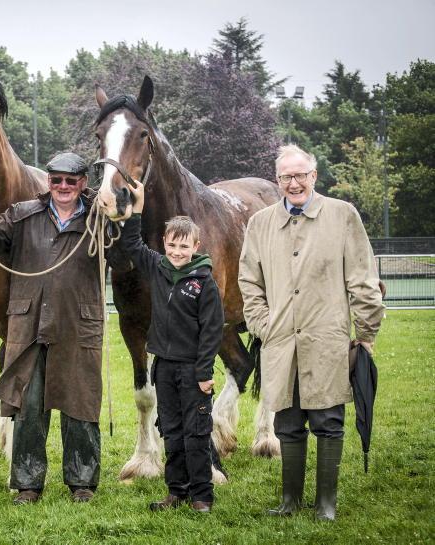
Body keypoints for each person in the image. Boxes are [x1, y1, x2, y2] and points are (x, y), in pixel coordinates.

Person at [238, 144, 384, 521]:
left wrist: (366, 332)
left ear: (314, 176)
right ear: (277, 180)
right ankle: (290, 501)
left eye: (300, 175)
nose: (294, 183)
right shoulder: (260, 223)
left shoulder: (342, 215)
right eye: (286, 176)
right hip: (280, 341)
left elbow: (363, 280)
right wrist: (262, 325)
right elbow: (249, 282)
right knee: (287, 424)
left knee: (328, 422)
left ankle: (326, 504)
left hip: (327, 339)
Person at [0, 152, 106, 504]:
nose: (63, 186)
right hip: (29, 324)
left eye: (71, 180)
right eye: (56, 180)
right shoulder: (23, 215)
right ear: (49, 182)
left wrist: (128, 216)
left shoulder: (99, 219)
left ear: (83, 183)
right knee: (28, 405)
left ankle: (82, 482)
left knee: (80, 403)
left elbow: (126, 257)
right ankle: (27, 483)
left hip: (79, 322)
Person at [112, 181, 223, 513]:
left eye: (184, 246)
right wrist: (138, 208)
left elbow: (212, 331)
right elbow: (131, 243)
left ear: (195, 246)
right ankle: (176, 491)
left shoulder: (204, 282)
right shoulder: (158, 268)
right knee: (171, 431)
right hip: (164, 367)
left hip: (193, 370)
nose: (177, 252)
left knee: (196, 433)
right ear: (164, 243)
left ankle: (201, 495)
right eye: (172, 245)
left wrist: (204, 372)